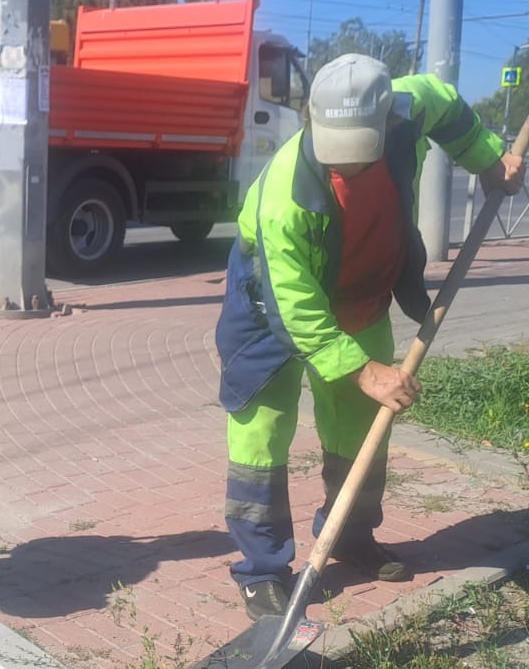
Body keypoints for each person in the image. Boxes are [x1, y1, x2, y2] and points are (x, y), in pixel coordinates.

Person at [216, 53, 524, 621]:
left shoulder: (410, 104)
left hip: (362, 290)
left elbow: (451, 107)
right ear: (310, 119)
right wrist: (365, 370)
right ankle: (261, 571)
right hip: (270, 303)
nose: (347, 168)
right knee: (261, 431)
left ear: (386, 119)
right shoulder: (285, 197)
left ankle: (351, 536)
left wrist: (485, 160)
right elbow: (298, 309)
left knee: (361, 428)